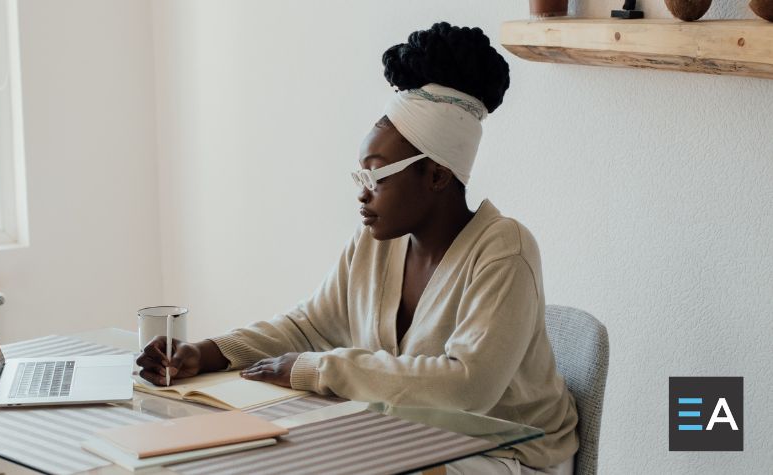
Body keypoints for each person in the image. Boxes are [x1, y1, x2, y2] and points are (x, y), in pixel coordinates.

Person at [136, 21, 578, 475]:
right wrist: (205, 353)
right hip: (415, 438)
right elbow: (307, 327)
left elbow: (468, 388)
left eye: (377, 174)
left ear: (437, 176)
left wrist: (318, 369)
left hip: (510, 454)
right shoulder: (375, 246)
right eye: (361, 175)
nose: (363, 193)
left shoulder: (505, 249)